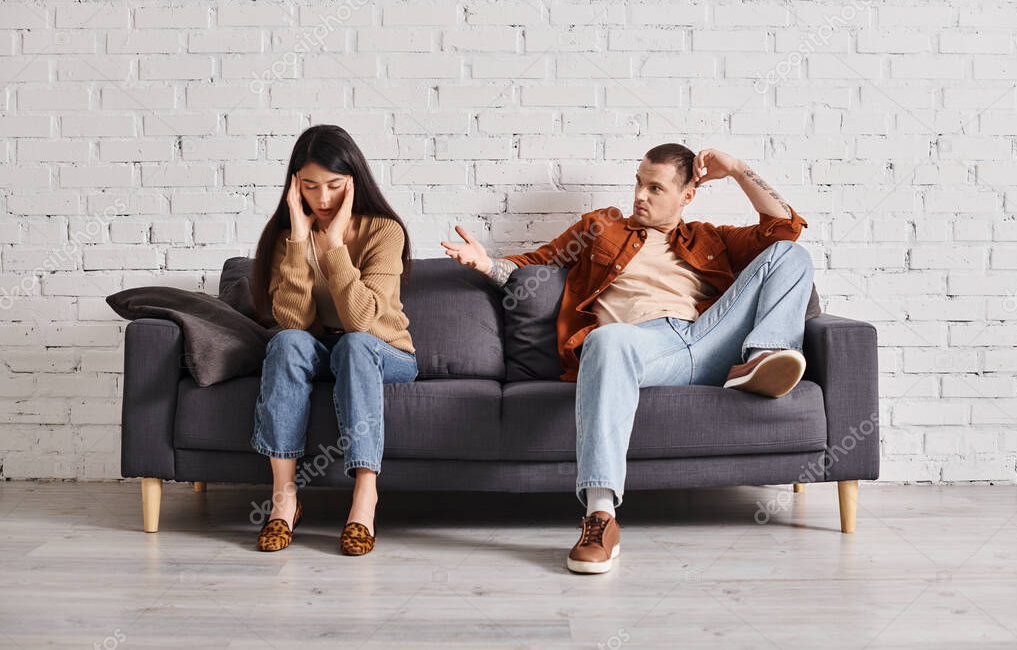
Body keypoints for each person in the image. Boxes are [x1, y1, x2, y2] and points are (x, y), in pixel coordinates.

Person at [441, 144, 814, 574]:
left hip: (709, 340)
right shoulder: (600, 227)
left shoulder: (710, 238)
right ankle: (600, 516)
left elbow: (785, 227)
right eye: (639, 182)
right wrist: (487, 265)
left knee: (790, 254)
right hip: (642, 348)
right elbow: (533, 266)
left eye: (656, 188)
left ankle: (761, 357)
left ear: (686, 196)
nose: (640, 195)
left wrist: (736, 168)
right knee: (606, 340)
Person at [249, 124, 417, 555]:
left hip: (383, 350)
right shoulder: (286, 237)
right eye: (310, 186)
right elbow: (292, 321)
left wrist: (335, 246)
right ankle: (285, 500)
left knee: (354, 344)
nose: (322, 200)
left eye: (334, 186)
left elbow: (361, 319)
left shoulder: (384, 231)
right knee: (286, 343)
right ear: (294, 187)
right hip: (323, 348)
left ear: (353, 182)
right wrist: (300, 242)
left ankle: (365, 499)